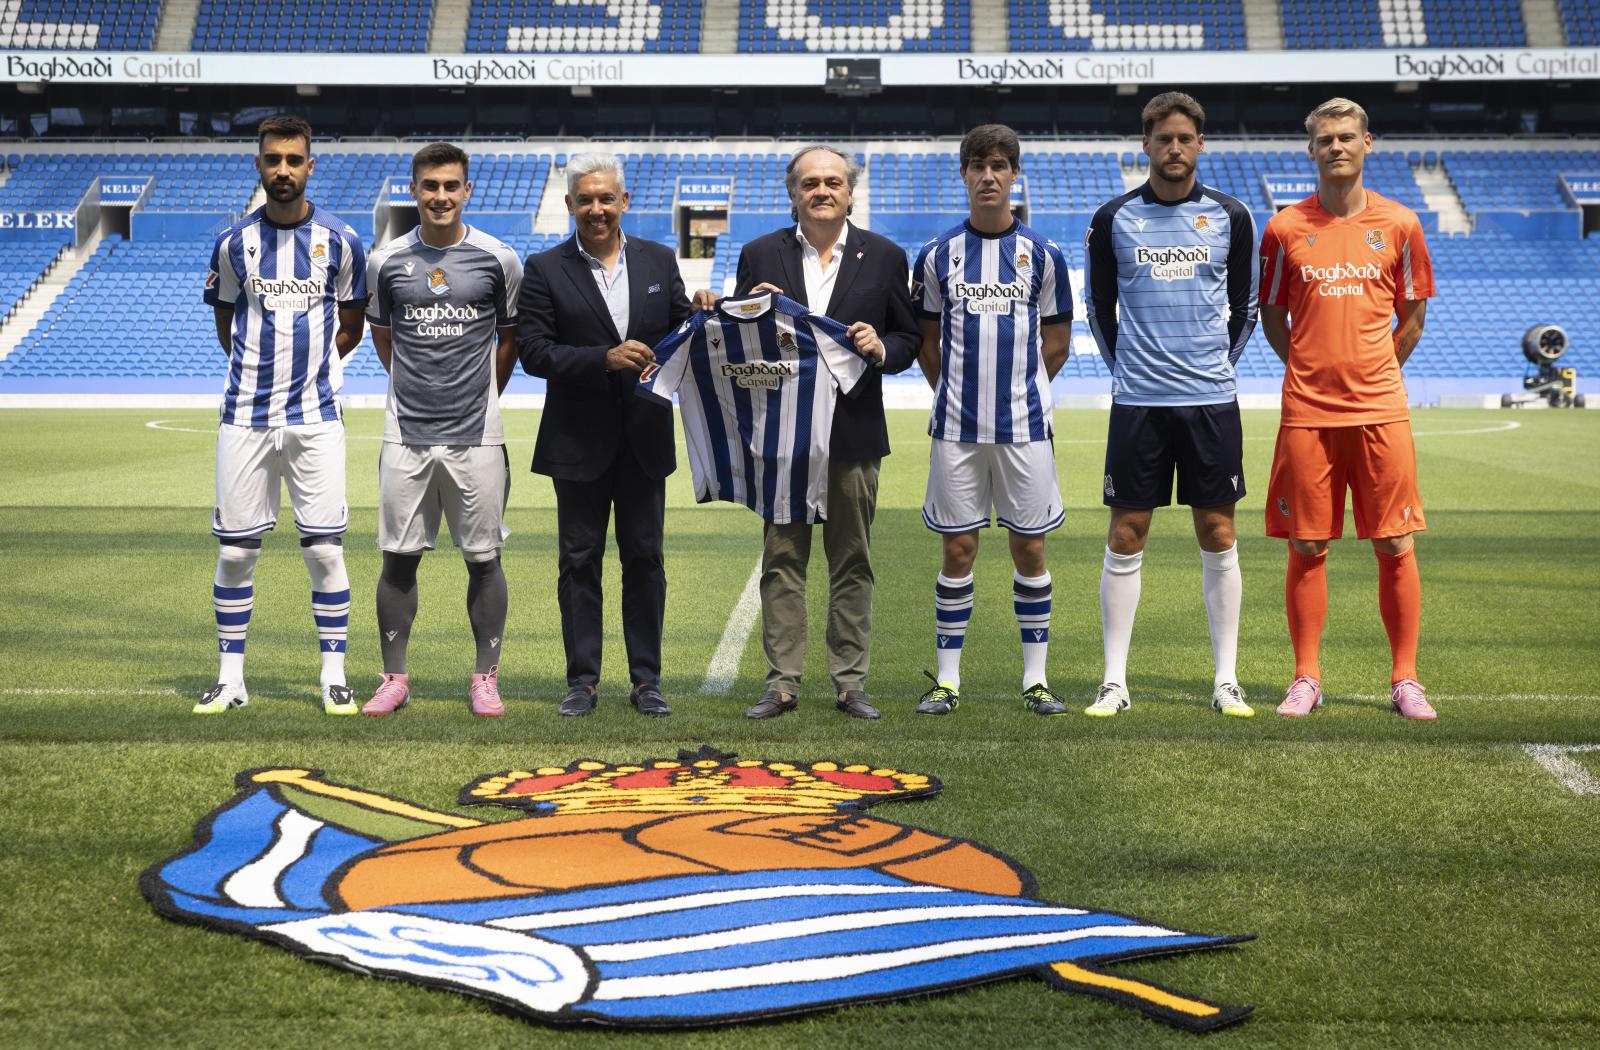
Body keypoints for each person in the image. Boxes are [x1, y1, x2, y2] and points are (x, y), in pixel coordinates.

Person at [693, 145, 919, 722]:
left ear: (850, 191)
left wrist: (881, 349)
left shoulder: (887, 257)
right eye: (810, 182)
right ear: (793, 193)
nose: (823, 190)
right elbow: (742, 343)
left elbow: (908, 341)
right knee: (782, 560)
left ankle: (849, 683)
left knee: (852, 560)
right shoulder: (759, 253)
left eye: (833, 181)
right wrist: (725, 306)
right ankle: (783, 683)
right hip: (783, 437)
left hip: (853, 432)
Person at [1258, 97, 1437, 720]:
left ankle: (1405, 679)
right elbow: (1272, 314)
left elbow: (1412, 316)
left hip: (1381, 411)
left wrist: (1375, 370)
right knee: (1307, 545)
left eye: (1346, 137)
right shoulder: (1283, 228)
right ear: (1311, 151)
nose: (1336, 147)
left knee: (1393, 542)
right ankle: (1306, 677)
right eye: (1325, 139)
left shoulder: (1403, 224)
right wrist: (1307, 365)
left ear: (1368, 143)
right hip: (1307, 412)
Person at [1083, 91, 1258, 719]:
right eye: (1164, 139)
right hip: (1139, 404)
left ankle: (1226, 679)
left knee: (1218, 532)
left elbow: (1246, 308)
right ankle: (1113, 681)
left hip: (1211, 402)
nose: (1174, 149)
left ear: (1200, 144)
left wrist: (1215, 369)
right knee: (1127, 534)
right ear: (1146, 144)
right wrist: (1127, 371)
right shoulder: (1113, 218)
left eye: (1186, 139)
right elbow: (1099, 309)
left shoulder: (1232, 216)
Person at [195, 115, 366, 716]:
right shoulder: (232, 243)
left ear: (310, 165)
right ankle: (230, 679)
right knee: (237, 552)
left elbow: (351, 323)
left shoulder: (342, 241)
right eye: (273, 160)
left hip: (316, 417)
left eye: (294, 160)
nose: (283, 170)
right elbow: (226, 322)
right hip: (245, 415)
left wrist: (315, 368)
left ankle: (334, 677)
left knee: (324, 549)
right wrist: (262, 375)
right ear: (259, 165)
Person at [517, 152, 692, 718]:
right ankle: (582, 681)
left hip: (645, 439)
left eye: (606, 198)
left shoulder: (660, 261)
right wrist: (604, 358)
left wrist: (706, 311)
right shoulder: (543, 268)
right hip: (577, 441)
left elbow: (683, 331)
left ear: (624, 202)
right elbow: (534, 353)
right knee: (579, 561)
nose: (597, 209)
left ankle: (647, 680)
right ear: (570, 205)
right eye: (586, 199)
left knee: (646, 559)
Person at [912, 124, 1074, 717]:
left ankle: (1035, 680)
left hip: (1025, 428)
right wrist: (957, 394)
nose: (988, 175)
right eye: (978, 165)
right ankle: (947, 681)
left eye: (1000, 165)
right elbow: (928, 344)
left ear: (1014, 175)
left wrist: (1017, 392)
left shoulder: (1045, 256)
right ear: (963, 174)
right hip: (955, 430)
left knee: (1029, 549)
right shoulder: (935, 257)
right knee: (958, 551)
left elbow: (1055, 342)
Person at [359, 143, 523, 718]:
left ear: (467, 190)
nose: (441, 196)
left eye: (451, 185)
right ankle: (394, 677)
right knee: (398, 558)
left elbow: (508, 338)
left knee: (484, 558)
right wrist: (416, 388)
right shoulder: (385, 262)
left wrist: (478, 394)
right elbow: (383, 337)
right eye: (430, 186)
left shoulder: (499, 259)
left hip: (477, 434)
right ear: (414, 190)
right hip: (405, 432)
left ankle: (485, 676)